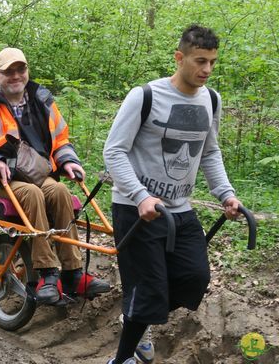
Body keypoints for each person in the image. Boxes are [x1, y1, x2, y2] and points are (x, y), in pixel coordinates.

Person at [103, 25, 241, 364]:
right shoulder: (145, 96)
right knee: (148, 289)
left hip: (179, 209)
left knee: (195, 278)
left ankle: (138, 317)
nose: (206, 70)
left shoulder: (212, 100)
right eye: (200, 61)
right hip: (137, 210)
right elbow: (114, 151)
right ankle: (122, 359)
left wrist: (226, 193)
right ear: (179, 58)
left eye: (212, 62)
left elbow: (209, 152)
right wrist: (140, 195)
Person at [0, 47, 110, 304]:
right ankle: (46, 274)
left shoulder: (41, 101)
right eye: (8, 71)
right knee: (32, 194)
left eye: (20, 69)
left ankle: (73, 273)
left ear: (27, 71)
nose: (15, 76)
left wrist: (68, 161)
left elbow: (60, 140)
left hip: (34, 171)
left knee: (59, 191)